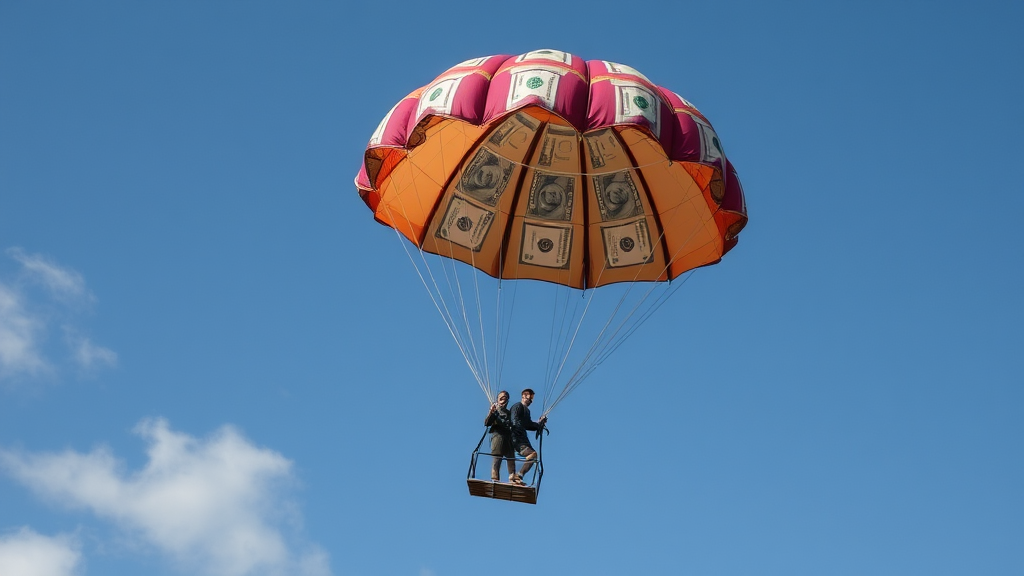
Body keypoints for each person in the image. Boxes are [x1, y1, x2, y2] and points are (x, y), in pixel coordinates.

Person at [508, 388, 547, 485]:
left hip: (521, 437)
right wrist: (516, 431)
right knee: (533, 454)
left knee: (534, 456)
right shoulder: (518, 406)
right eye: (528, 397)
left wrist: (539, 424)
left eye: (531, 398)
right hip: (516, 437)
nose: (530, 400)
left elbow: (528, 424)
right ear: (523, 396)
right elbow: (514, 419)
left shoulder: (526, 411)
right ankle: (518, 475)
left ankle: (517, 478)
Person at [483, 390, 515, 482]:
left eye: (505, 398)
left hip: (509, 438)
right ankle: (495, 478)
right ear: (498, 399)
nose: (503, 399)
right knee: (497, 459)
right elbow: (487, 423)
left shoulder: (510, 414)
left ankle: (513, 479)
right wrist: (491, 412)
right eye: (501, 397)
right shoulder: (495, 412)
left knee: (511, 459)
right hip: (498, 437)